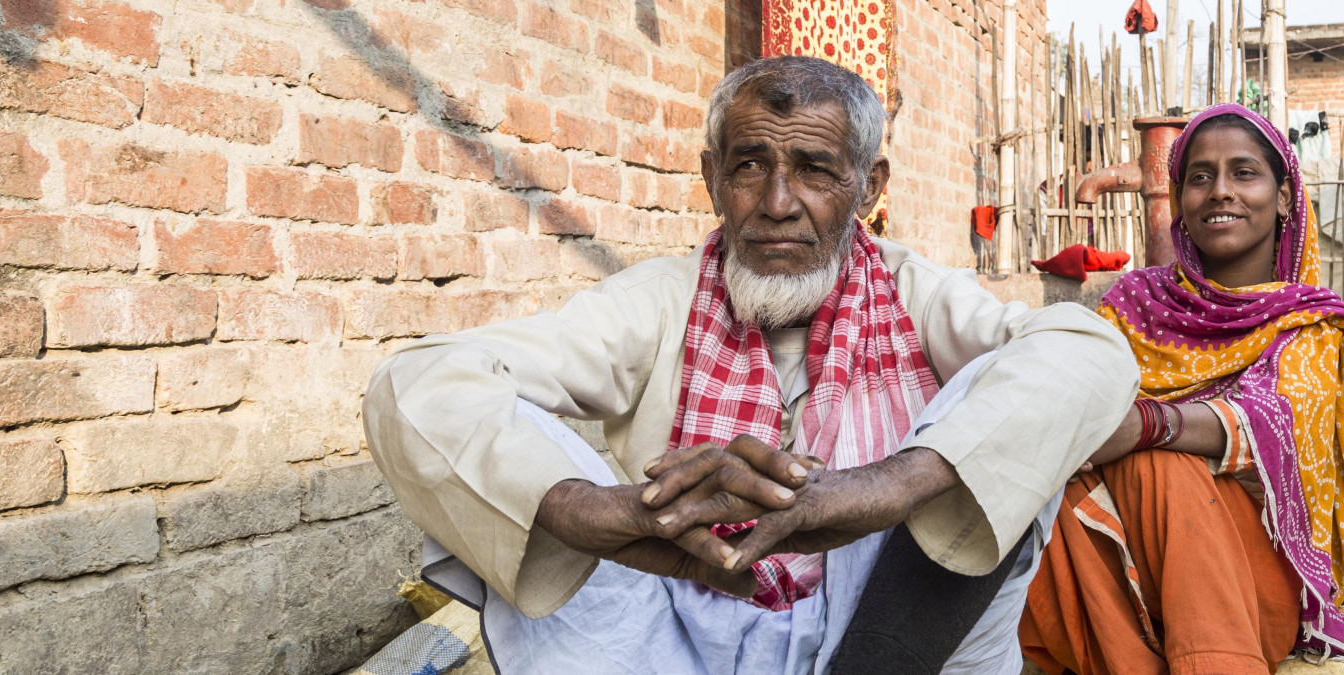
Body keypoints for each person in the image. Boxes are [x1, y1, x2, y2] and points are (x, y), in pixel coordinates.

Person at [361, 56, 1138, 674]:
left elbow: (1091, 353)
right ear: (711, 180)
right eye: (749, 166)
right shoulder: (658, 299)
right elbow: (421, 382)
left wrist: (882, 486)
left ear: (868, 187)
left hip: (888, 639)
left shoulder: (914, 288)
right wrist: (601, 514)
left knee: (1016, 406)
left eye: (813, 169)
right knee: (451, 414)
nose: (776, 202)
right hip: (673, 628)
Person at [1018, 103, 1344, 675]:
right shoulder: (1135, 304)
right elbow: (1074, 397)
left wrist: (1151, 424)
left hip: (1244, 585)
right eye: (1199, 177)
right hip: (1114, 569)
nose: (1219, 191)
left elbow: (1277, 417)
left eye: (1244, 173)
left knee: (1161, 465)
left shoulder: (1315, 325)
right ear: (1180, 200)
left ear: (1285, 196)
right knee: (1042, 473)